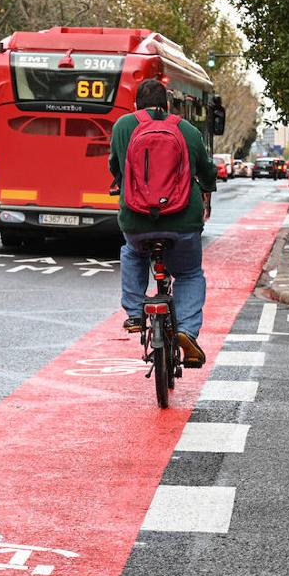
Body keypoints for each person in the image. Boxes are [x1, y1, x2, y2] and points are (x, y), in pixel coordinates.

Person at [109, 79, 217, 365]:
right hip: (182, 222)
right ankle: (187, 331)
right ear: (168, 104)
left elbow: (115, 166)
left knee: (132, 252)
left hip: (136, 220)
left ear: (136, 105)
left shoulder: (122, 126)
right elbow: (207, 170)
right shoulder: (187, 130)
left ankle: (134, 312)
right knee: (189, 273)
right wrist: (207, 191)